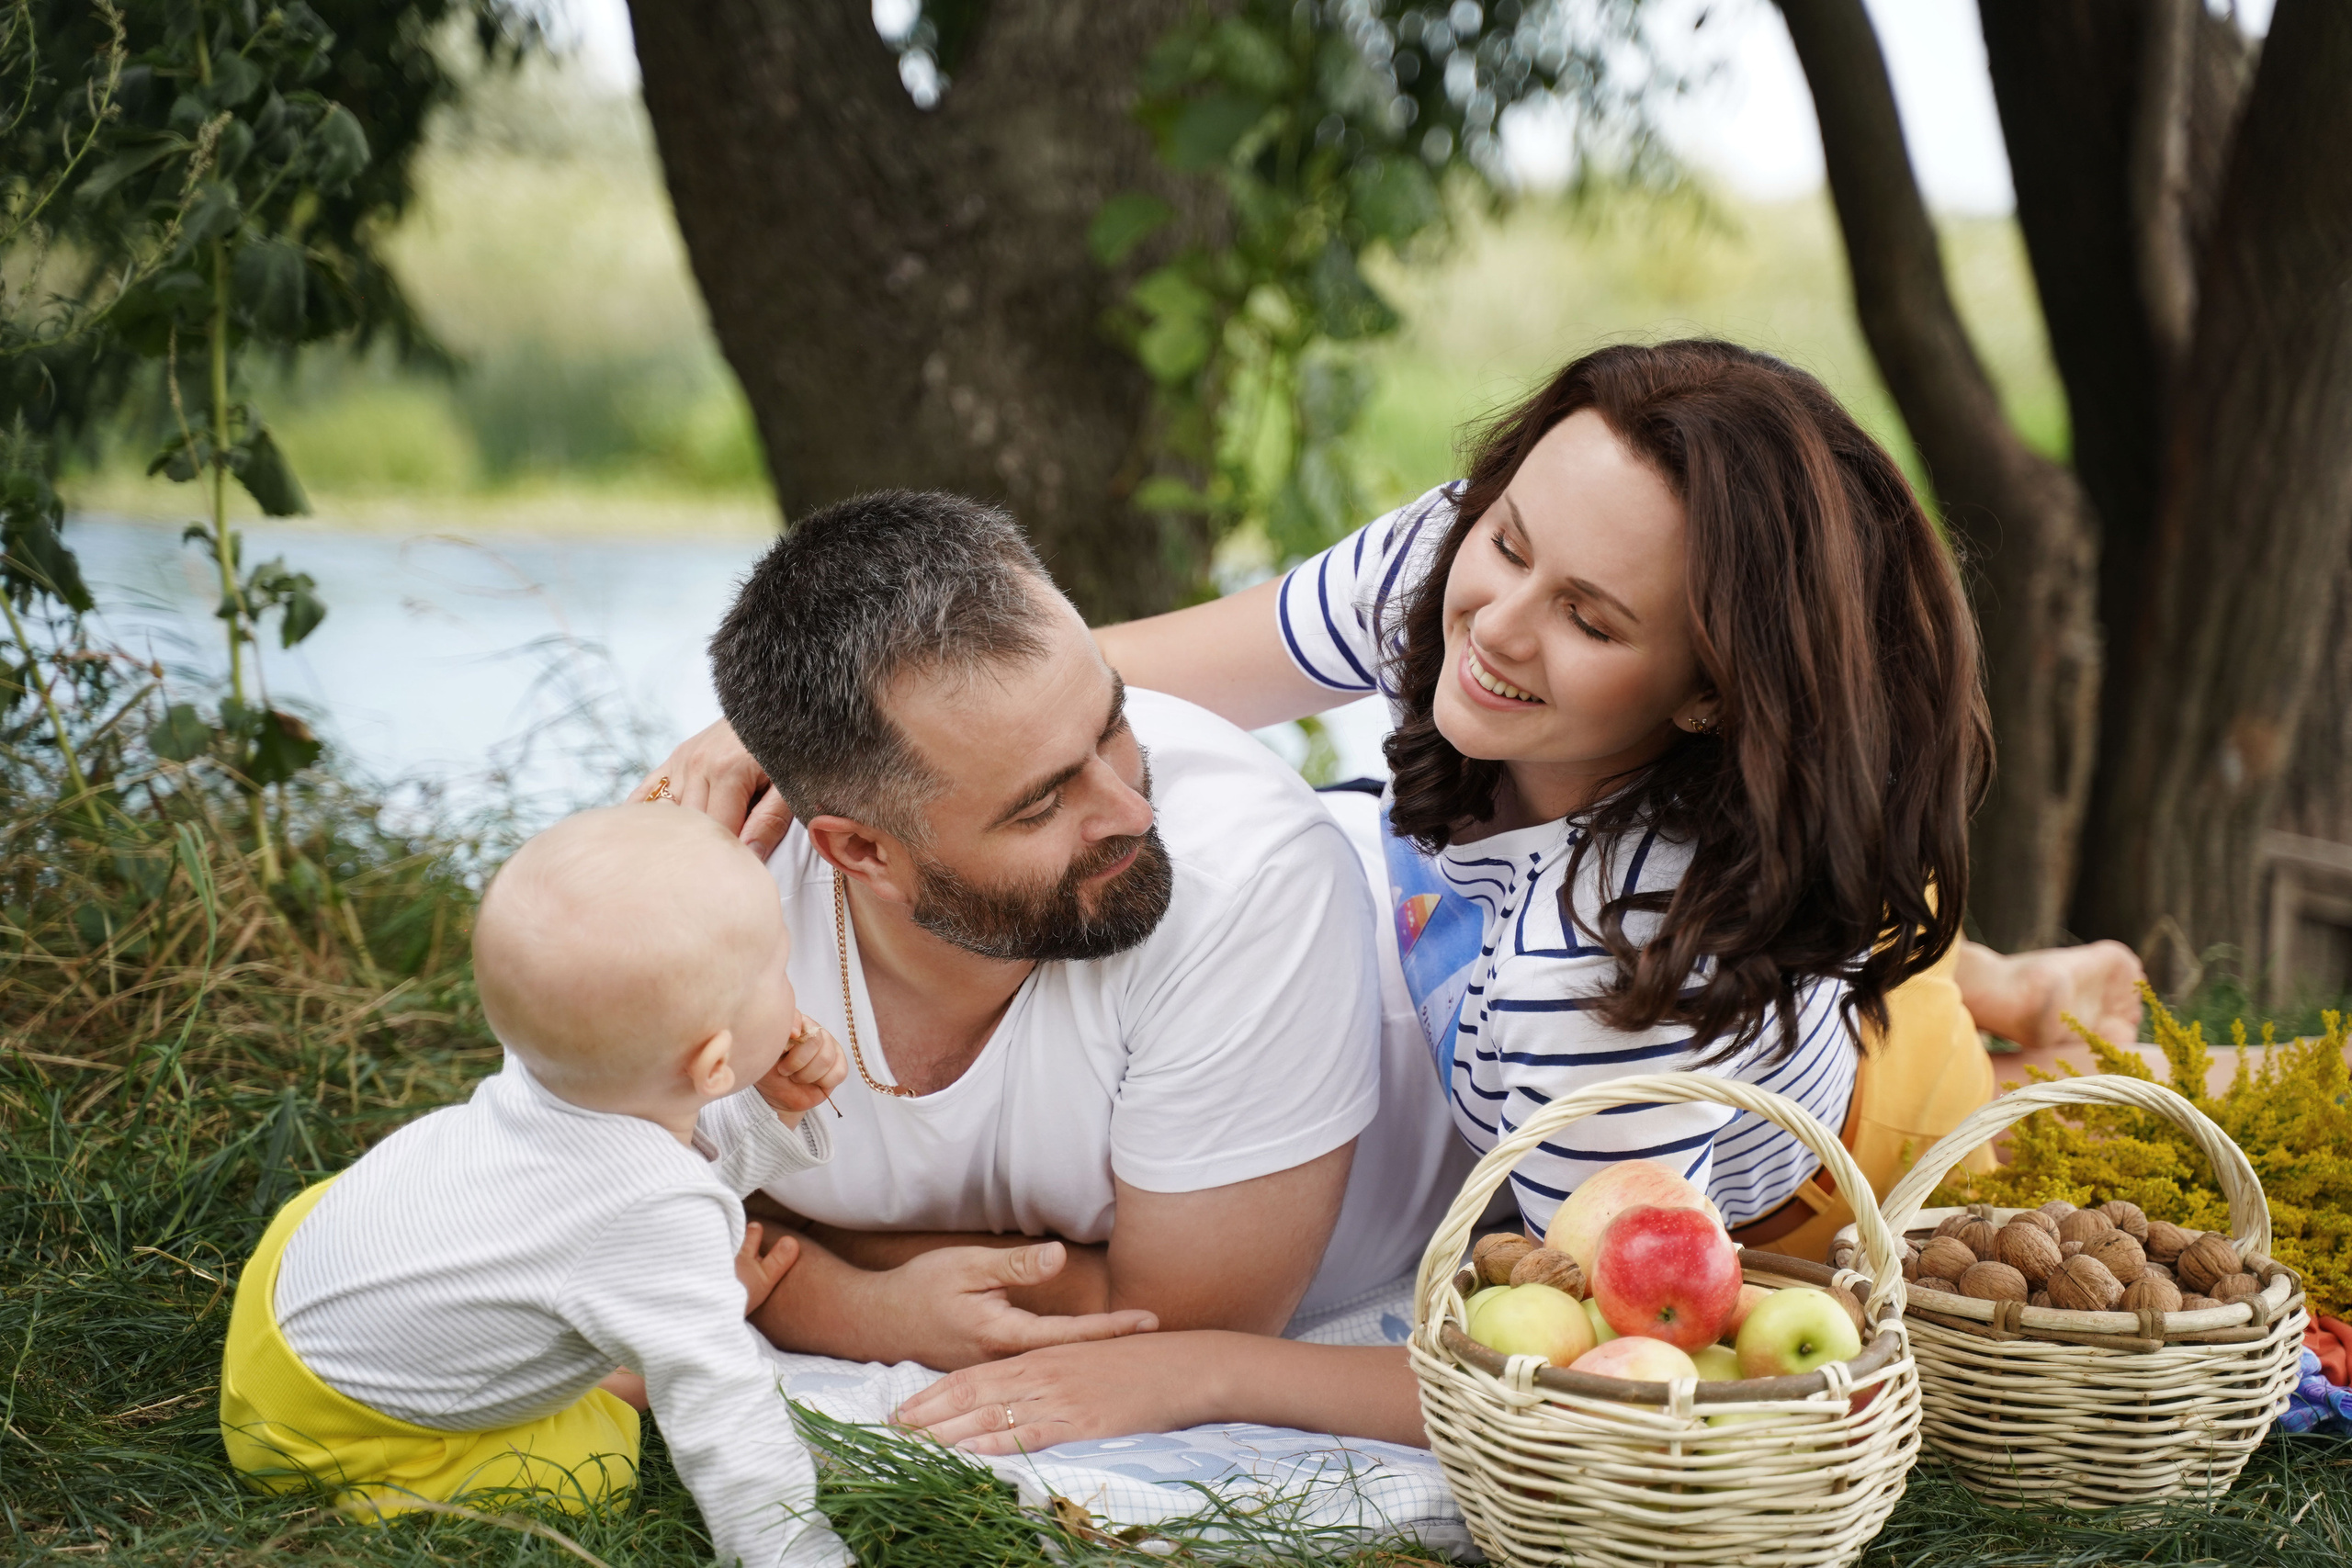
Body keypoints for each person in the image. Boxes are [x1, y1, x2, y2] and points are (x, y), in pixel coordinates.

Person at [650, 341, 2144, 1449]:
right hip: (1503, 925)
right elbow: (1126, 672)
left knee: (2025, 1100)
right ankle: (2004, 976)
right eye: (1510, 542)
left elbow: (1573, 1357)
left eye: (1593, 618)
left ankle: (2011, 1030)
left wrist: (1203, 1369)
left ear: (1705, 693)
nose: (1498, 622)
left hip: (1809, 1139)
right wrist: (831, 736)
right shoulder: (1453, 572)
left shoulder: (1594, 1005)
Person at [686, 489, 1462, 1382]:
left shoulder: (1253, 878)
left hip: (1456, 929)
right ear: (861, 851)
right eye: (1043, 804)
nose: (1132, 810)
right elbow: (598, 1199)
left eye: (1113, 726)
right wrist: (841, 1301)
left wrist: (799, 1264)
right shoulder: (710, 898)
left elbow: (1183, 1324)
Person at [218, 805, 852, 1568]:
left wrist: (764, 1105)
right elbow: (724, 1405)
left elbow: (645, 1164)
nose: (791, 984)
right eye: (779, 969)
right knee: (593, 1468)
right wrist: (794, 1549)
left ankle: (630, 1327)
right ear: (715, 1065)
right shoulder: (642, 1213)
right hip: (323, 1429)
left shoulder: (561, 1070)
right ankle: (603, 1386)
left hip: (289, 1284)